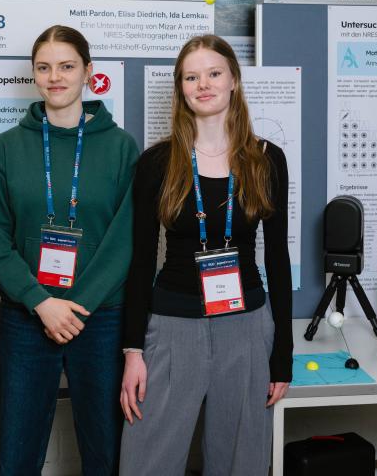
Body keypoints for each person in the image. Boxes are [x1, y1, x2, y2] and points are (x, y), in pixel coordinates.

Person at [119, 34, 293, 475]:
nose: (203, 84)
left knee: (242, 462)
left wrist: (282, 358)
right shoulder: (157, 162)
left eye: (214, 73)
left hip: (248, 329)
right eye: (191, 77)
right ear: (181, 88)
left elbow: (277, 259)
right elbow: (140, 262)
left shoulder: (267, 160)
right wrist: (133, 351)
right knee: (147, 461)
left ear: (233, 79)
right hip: (173, 329)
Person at [0, 25, 139, 475]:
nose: (56, 77)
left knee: (106, 448)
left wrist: (77, 306)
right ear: (34, 74)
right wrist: (41, 304)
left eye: (67, 66)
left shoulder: (121, 147)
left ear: (88, 72)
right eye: (44, 67)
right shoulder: (7, 149)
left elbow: (126, 238)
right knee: (17, 450)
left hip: (102, 317)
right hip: (27, 316)